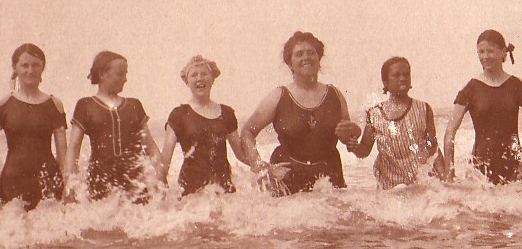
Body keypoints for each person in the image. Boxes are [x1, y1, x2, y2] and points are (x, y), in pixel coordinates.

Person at [241, 32, 361, 196]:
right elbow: (247, 132)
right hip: (287, 176)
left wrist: (352, 135)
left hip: (328, 176)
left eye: (311, 52)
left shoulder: (335, 95)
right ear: (290, 64)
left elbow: (347, 138)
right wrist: (258, 165)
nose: (306, 57)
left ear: (319, 59)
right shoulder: (278, 96)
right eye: (299, 54)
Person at [441, 30, 522, 185]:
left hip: (513, 165)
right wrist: (449, 170)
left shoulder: (517, 86)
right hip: (479, 169)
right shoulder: (470, 88)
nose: (485, 56)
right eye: (481, 51)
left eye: (491, 51)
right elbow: (450, 131)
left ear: (503, 52)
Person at [158, 55, 264, 196]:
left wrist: (264, 168)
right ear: (187, 82)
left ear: (212, 79)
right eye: (194, 75)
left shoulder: (226, 113)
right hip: (191, 191)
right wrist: (160, 191)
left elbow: (240, 154)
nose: (199, 78)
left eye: (204, 74)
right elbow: (165, 162)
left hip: (224, 188)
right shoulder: (178, 115)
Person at [0, 43, 68, 210]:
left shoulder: (54, 104)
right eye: (24, 65)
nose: (30, 70)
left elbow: (63, 152)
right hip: (12, 181)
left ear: (43, 67)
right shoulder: (2, 104)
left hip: (47, 180)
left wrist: (67, 185)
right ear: (15, 68)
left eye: (36, 65)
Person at [65, 51, 159, 202]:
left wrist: (160, 180)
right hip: (100, 180)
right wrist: (70, 185)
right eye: (120, 74)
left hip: (135, 181)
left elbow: (150, 146)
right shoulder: (86, 105)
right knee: (101, 224)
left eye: (125, 74)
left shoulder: (134, 105)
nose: (125, 79)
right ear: (102, 74)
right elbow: (74, 147)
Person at [347, 57, 439, 190]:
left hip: (420, 186)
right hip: (389, 191)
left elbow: (433, 149)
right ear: (386, 82)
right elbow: (365, 150)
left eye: (406, 75)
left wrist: (446, 180)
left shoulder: (424, 109)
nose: (402, 79)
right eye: (396, 75)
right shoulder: (374, 114)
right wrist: (354, 147)